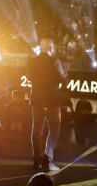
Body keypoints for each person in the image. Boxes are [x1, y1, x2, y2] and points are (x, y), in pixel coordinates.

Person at [26, 38, 70, 171]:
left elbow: (29, 77)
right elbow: (64, 82)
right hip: (52, 101)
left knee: (37, 130)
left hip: (37, 101)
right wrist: (65, 75)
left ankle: (37, 160)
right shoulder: (55, 61)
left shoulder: (31, 61)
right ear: (51, 48)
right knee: (54, 130)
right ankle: (48, 158)